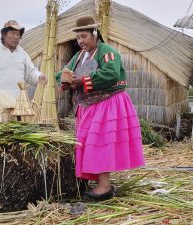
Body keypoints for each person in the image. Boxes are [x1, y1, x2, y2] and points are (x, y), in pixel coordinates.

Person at [55, 16, 145, 200]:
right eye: (78, 38)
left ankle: (104, 187)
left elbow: (111, 74)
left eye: (84, 36)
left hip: (107, 104)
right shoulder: (79, 56)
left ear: (95, 34)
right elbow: (62, 73)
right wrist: (66, 81)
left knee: (99, 144)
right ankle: (92, 180)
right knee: (86, 144)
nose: (80, 41)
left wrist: (82, 81)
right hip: (88, 107)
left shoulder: (107, 51)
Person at [0, 20, 46, 98]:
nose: (16, 37)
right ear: (4, 35)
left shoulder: (22, 53)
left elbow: (30, 72)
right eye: (13, 33)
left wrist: (39, 77)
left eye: (18, 34)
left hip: (17, 103)